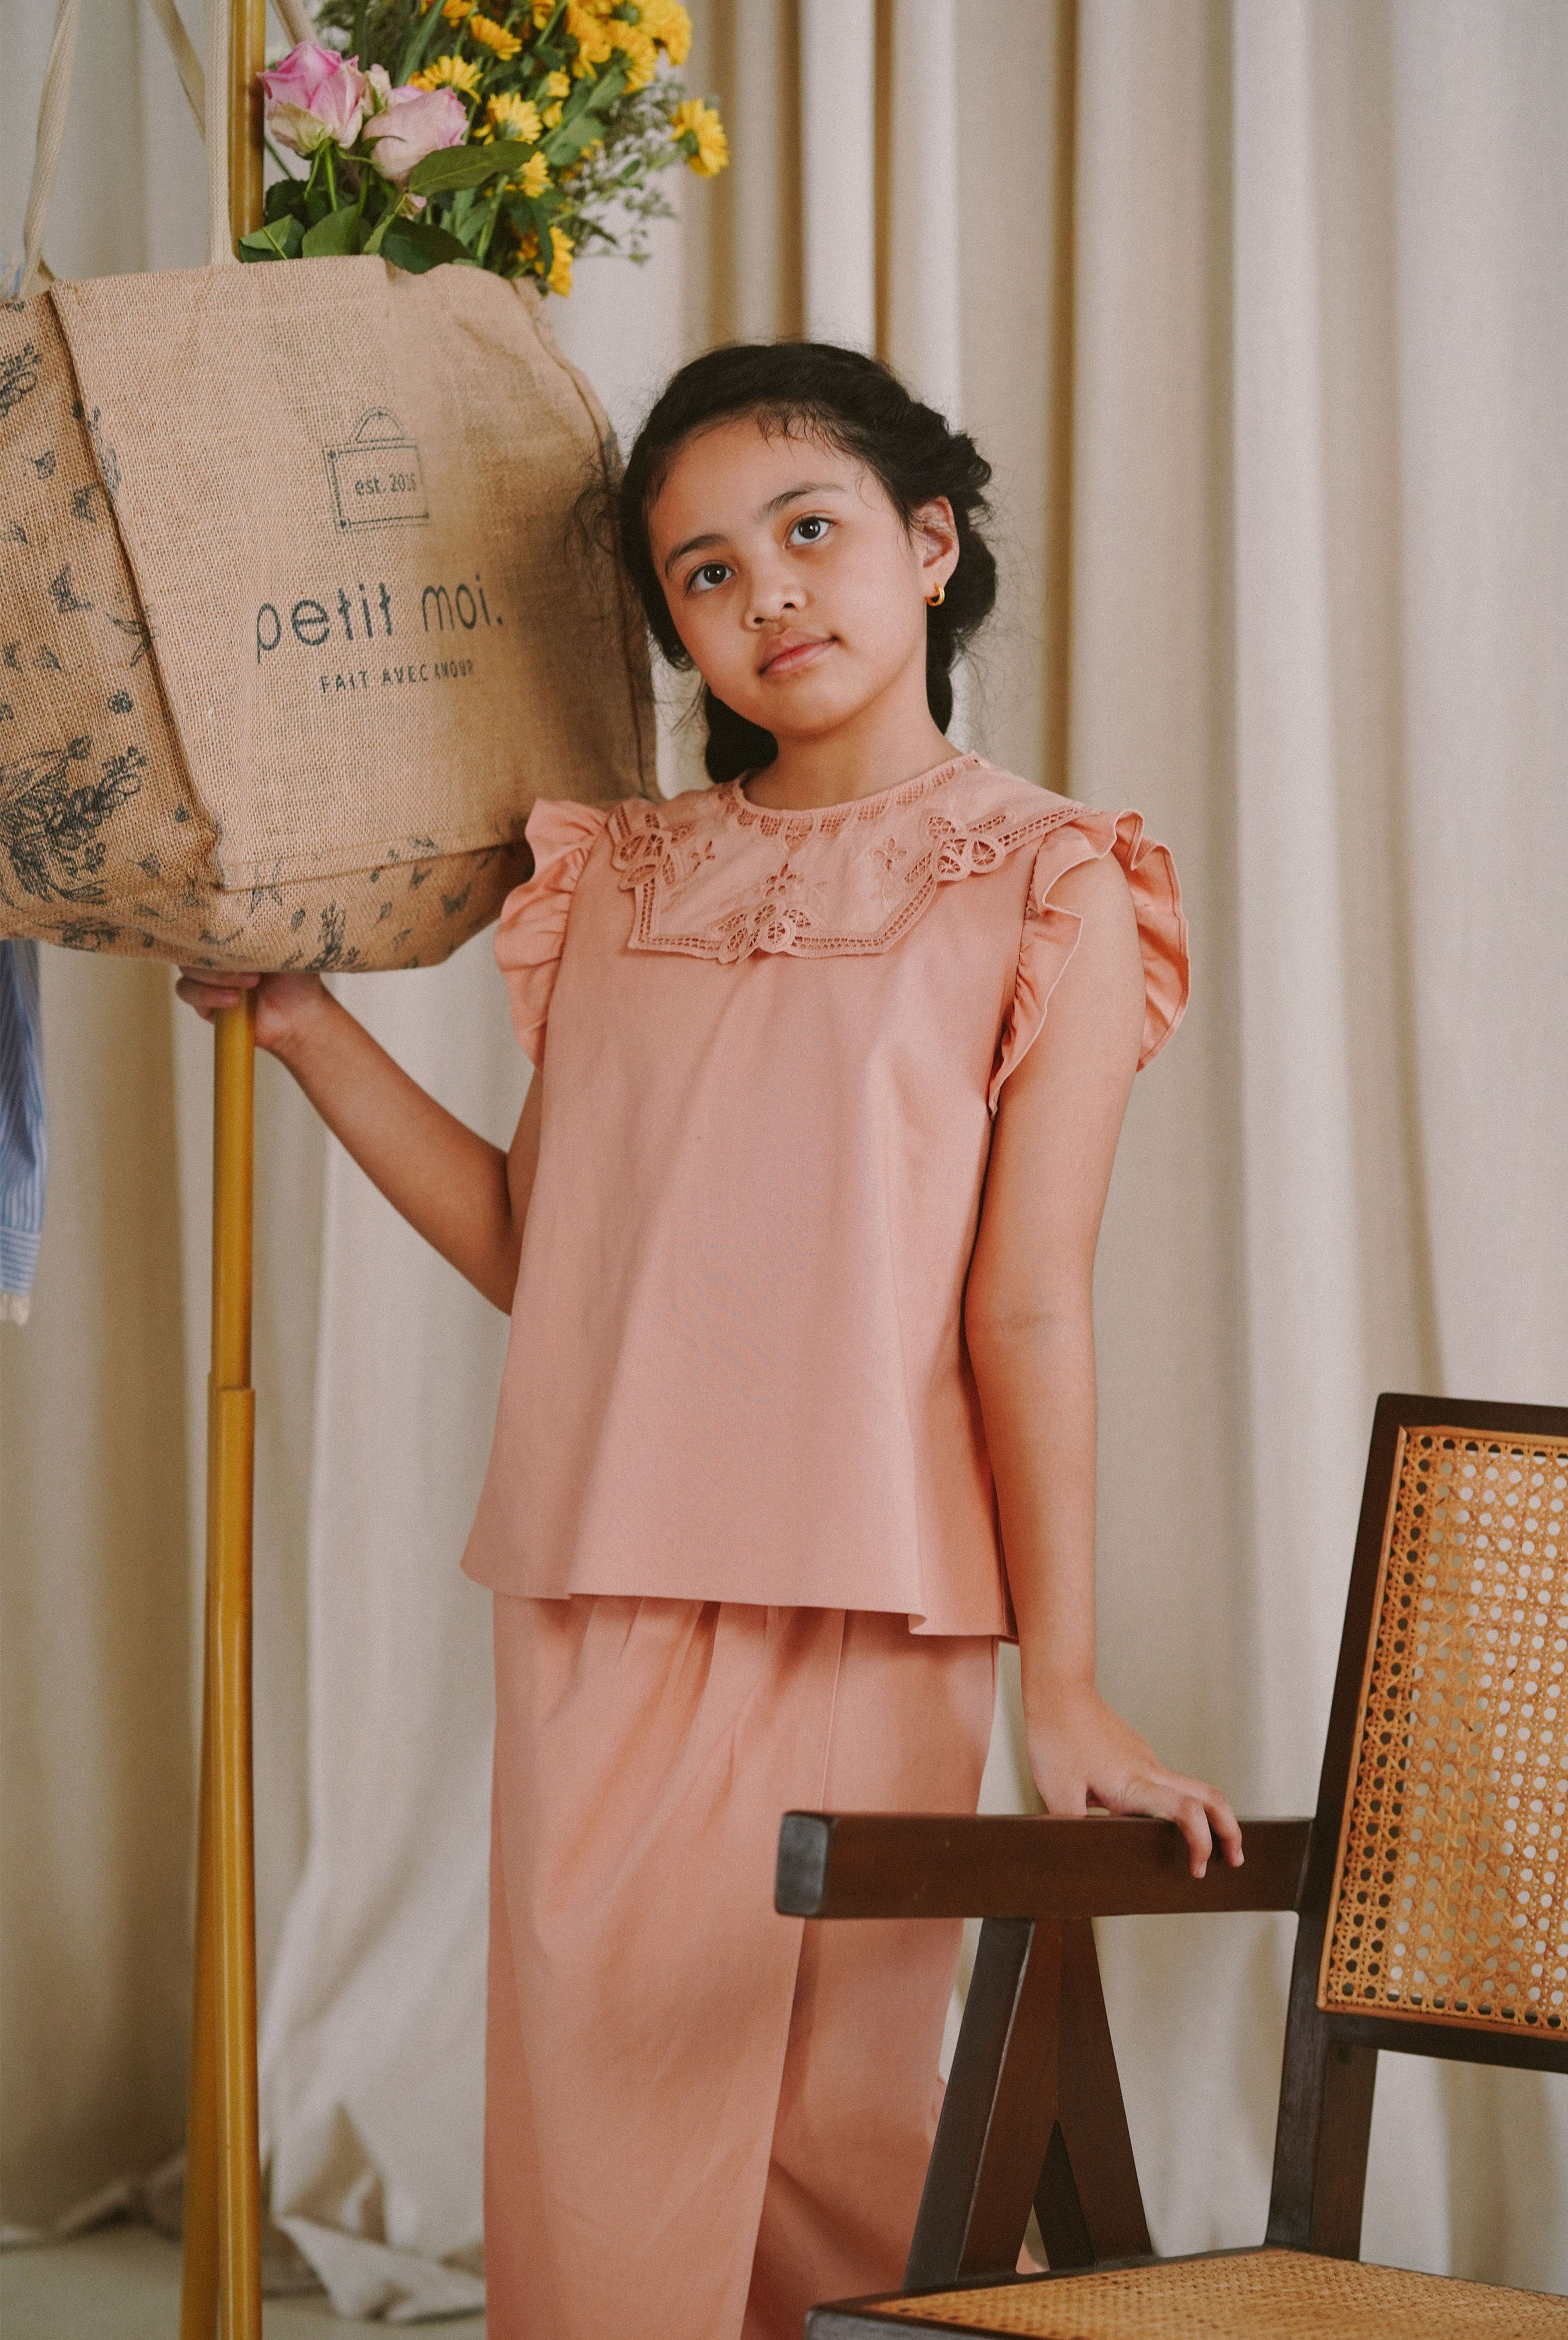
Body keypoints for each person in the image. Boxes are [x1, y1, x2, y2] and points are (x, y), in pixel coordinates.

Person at [178, 340, 1242, 2340]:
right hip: (599, 1575)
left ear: (930, 547)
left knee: (838, 2142)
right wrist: (309, 1030)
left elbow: (1026, 1300)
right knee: (597, 2136)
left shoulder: (1048, 883)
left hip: (880, 1591)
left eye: (807, 533)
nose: (765, 599)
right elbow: (545, 1247)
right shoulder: (617, 873)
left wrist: (1066, 1690)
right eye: (703, 575)